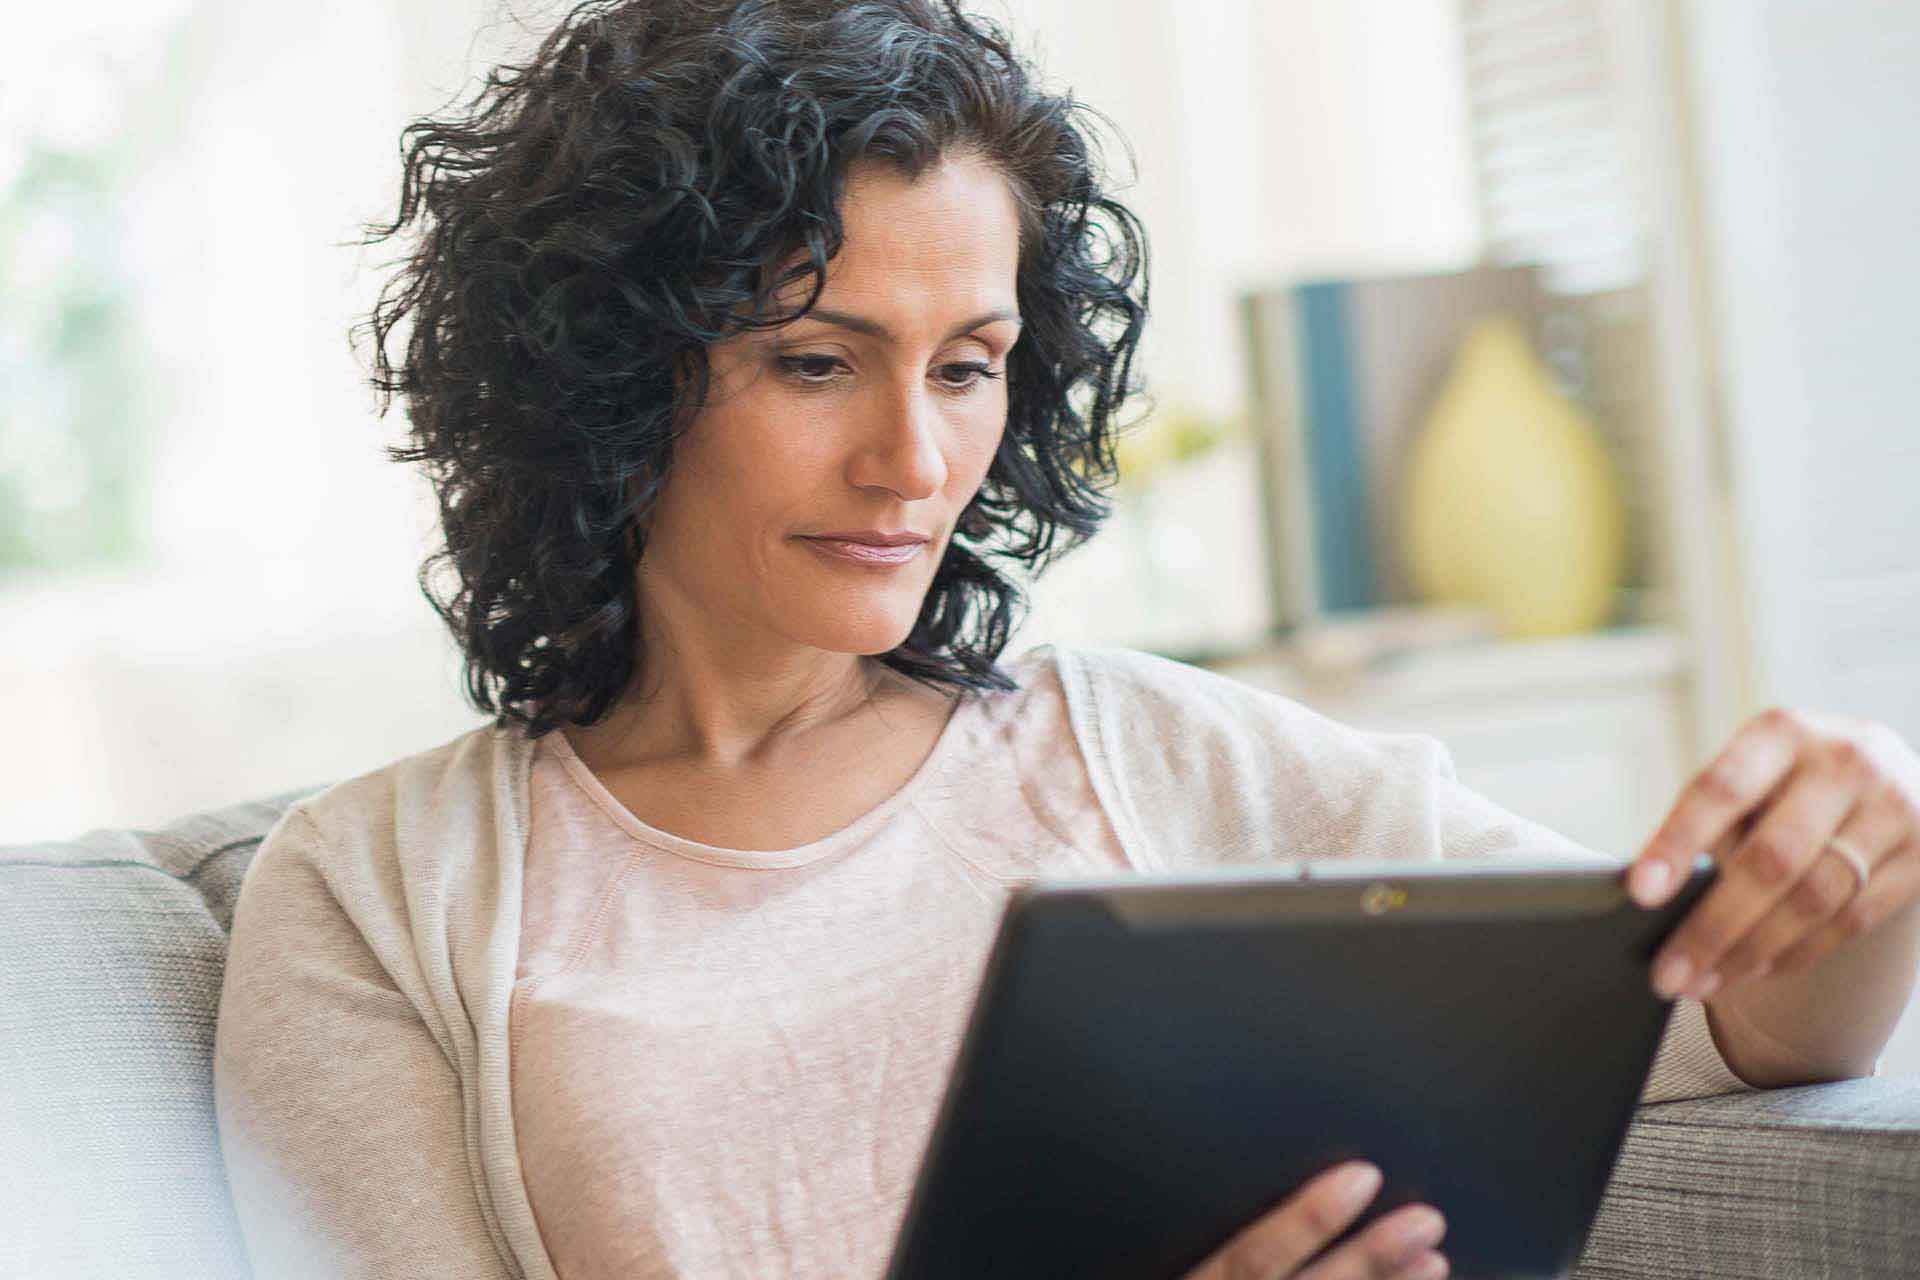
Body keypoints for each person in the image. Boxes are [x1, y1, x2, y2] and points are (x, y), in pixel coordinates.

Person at [212, 1, 1920, 1278]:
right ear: (605, 378)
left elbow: (1732, 1027)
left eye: (968, 364)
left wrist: (1870, 851)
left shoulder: (1157, 753)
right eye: (818, 361)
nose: (917, 458)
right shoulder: (376, 891)